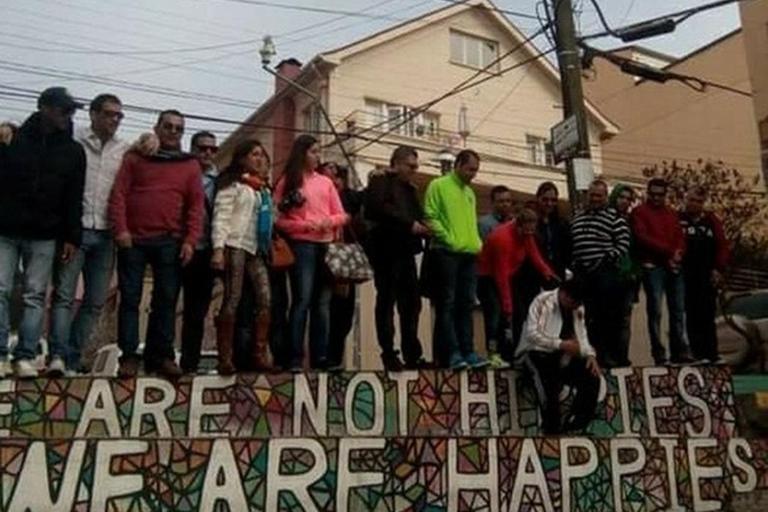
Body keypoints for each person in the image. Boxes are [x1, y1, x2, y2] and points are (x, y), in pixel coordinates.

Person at [109, 109, 204, 379]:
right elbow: (119, 195)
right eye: (168, 126)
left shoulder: (189, 164)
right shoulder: (136, 157)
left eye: (178, 129)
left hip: (170, 241)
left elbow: (195, 207)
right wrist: (121, 230)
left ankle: (161, 356)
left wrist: (190, 240)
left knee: (166, 300)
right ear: (157, 127)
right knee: (130, 299)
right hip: (133, 241)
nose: (173, 132)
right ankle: (128, 357)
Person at [0, 87, 86, 379]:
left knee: (35, 295)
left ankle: (25, 355)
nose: (68, 115)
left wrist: (72, 236)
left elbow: (74, 197)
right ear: (45, 108)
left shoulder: (73, 152)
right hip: (6, 229)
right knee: (0, 289)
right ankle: (0, 355)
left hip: (45, 234)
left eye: (72, 111)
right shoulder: (13, 139)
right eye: (64, 109)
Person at [47, 94, 128, 377]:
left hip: (106, 234)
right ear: (93, 114)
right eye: (109, 114)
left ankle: (71, 356)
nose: (114, 120)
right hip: (75, 231)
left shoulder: (123, 150)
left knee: (95, 301)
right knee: (64, 295)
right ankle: (56, 355)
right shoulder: (75, 142)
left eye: (119, 115)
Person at [274, 135, 348, 371]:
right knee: (302, 300)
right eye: (314, 151)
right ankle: (294, 357)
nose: (318, 156)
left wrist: (327, 222)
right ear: (302, 153)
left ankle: (320, 358)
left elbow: (341, 214)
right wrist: (303, 226)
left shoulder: (325, 182)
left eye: (319, 151)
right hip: (301, 245)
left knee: (323, 304)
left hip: (325, 244)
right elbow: (278, 218)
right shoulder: (288, 181)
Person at [211, 139, 274, 375]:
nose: (259, 159)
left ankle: (259, 355)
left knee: (265, 298)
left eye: (262, 155)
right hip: (234, 244)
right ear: (242, 158)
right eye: (254, 154)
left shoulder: (262, 188)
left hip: (257, 248)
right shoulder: (233, 184)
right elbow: (222, 216)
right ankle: (224, 357)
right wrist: (218, 249)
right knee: (233, 298)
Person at [364, 146, 429, 371]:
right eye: (410, 166)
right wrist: (409, 225)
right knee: (387, 300)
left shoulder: (409, 189)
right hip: (386, 249)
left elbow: (418, 214)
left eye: (416, 166)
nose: (414, 170)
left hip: (406, 251)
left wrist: (426, 226)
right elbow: (378, 209)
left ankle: (412, 353)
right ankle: (389, 352)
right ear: (397, 163)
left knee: (412, 303)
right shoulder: (381, 182)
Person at [424, 149, 486, 369]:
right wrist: (448, 239)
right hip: (446, 252)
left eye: (476, 170)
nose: (473, 174)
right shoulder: (438, 185)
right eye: (470, 169)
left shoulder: (470, 193)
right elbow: (430, 215)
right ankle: (452, 353)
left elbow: (471, 222)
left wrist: (476, 243)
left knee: (466, 304)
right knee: (447, 304)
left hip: (469, 253)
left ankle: (468, 351)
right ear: (458, 165)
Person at [516, 279, 601, 435]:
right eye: (573, 303)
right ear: (565, 295)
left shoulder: (578, 308)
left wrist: (590, 354)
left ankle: (577, 423)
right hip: (537, 352)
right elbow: (532, 334)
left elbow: (582, 334)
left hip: (563, 356)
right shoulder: (543, 301)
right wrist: (561, 344)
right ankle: (551, 427)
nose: (575, 307)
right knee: (548, 383)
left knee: (592, 377)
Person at [476, 208, 557, 366]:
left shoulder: (527, 235)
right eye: (526, 232)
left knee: (519, 313)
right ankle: (493, 353)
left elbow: (534, 254)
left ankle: (515, 352)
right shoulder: (503, 239)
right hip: (488, 276)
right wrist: (507, 306)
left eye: (531, 232)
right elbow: (501, 275)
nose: (529, 235)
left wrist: (548, 273)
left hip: (508, 275)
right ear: (518, 226)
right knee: (496, 313)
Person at [632, 178, 694, 365]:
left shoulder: (671, 214)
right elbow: (642, 237)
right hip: (653, 267)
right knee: (655, 311)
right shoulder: (639, 212)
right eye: (653, 194)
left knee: (677, 310)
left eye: (660, 195)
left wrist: (678, 255)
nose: (657, 198)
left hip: (673, 266)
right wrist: (669, 253)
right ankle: (659, 353)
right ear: (648, 193)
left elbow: (680, 237)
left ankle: (679, 351)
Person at [570, 180, 630, 368]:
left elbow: (623, 243)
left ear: (605, 197)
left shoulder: (615, 218)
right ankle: (588, 355)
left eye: (599, 195)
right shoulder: (578, 218)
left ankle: (606, 356)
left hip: (604, 272)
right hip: (582, 273)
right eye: (592, 194)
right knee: (584, 317)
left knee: (607, 317)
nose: (595, 198)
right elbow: (572, 243)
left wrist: (608, 259)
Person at [176, 131, 219, 374]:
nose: (207, 154)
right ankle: (165, 359)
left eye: (213, 150)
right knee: (168, 302)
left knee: (197, 311)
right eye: (203, 148)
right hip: (180, 246)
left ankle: (189, 365)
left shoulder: (219, 180)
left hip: (207, 251)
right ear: (192, 149)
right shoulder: (182, 173)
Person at [513, 182, 570, 348]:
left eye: (553, 200)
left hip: (555, 275)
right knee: (527, 315)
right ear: (538, 198)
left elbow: (566, 249)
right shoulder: (530, 221)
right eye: (546, 199)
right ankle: (523, 350)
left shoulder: (561, 223)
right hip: (530, 275)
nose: (549, 203)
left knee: (554, 316)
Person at [680, 186, 729, 363]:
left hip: (707, 275)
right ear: (685, 200)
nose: (695, 204)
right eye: (692, 200)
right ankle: (697, 353)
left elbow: (722, 245)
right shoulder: (678, 219)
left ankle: (712, 353)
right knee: (691, 315)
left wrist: (718, 269)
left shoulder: (711, 221)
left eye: (699, 201)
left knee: (707, 315)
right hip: (685, 276)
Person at [322, 162, 364, 371]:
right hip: (321, 255)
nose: (334, 180)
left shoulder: (348, 198)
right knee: (323, 309)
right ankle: (325, 357)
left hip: (344, 260)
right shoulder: (319, 196)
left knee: (344, 313)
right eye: (330, 175)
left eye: (338, 176)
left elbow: (364, 197)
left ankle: (334, 357)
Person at [609, 184, 640, 367]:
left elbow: (635, 250)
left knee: (624, 320)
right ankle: (609, 356)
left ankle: (622, 357)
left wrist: (635, 272)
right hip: (610, 276)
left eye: (629, 199)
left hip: (629, 278)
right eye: (622, 197)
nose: (625, 202)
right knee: (609, 318)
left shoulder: (631, 222)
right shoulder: (606, 218)